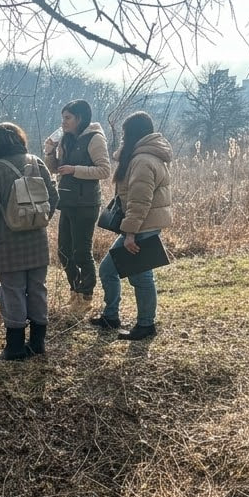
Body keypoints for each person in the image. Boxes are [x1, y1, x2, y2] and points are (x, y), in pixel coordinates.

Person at [89, 111, 173, 340]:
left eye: (125, 133)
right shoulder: (142, 156)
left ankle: (146, 325)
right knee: (108, 269)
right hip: (142, 224)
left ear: (133, 134)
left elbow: (139, 201)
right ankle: (111, 316)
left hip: (142, 226)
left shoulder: (143, 160)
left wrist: (129, 233)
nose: (123, 137)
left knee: (140, 276)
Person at [0, 122, 59, 361]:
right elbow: (53, 197)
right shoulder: (36, 162)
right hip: (37, 238)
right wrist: (40, 221)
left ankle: (14, 348)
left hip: (6, 241)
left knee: (12, 291)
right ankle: (37, 343)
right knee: (37, 289)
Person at [43, 99, 111, 314]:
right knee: (63, 251)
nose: (63, 122)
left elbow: (104, 170)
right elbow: (55, 170)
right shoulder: (66, 138)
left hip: (87, 203)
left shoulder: (95, 138)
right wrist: (49, 152)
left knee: (82, 252)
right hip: (68, 201)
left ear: (80, 118)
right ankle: (75, 291)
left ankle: (86, 296)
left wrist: (75, 170)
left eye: (68, 118)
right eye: (63, 118)